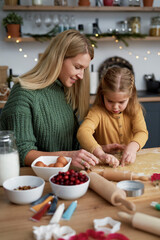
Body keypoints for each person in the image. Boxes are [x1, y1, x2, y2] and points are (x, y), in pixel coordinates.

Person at [0, 29, 100, 169]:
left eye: (84, 69)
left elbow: (73, 145)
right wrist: (68, 157)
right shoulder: (23, 93)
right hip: (34, 182)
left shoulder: (64, 91)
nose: (81, 76)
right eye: (77, 67)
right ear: (58, 58)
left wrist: (100, 150)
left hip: (62, 178)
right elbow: (22, 153)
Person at [77, 66, 148, 167]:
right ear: (102, 95)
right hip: (102, 164)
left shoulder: (135, 109)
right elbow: (83, 132)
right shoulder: (97, 111)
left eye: (121, 102)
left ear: (130, 96)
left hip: (128, 162)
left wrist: (132, 147)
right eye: (110, 101)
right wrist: (101, 153)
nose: (115, 107)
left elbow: (141, 132)